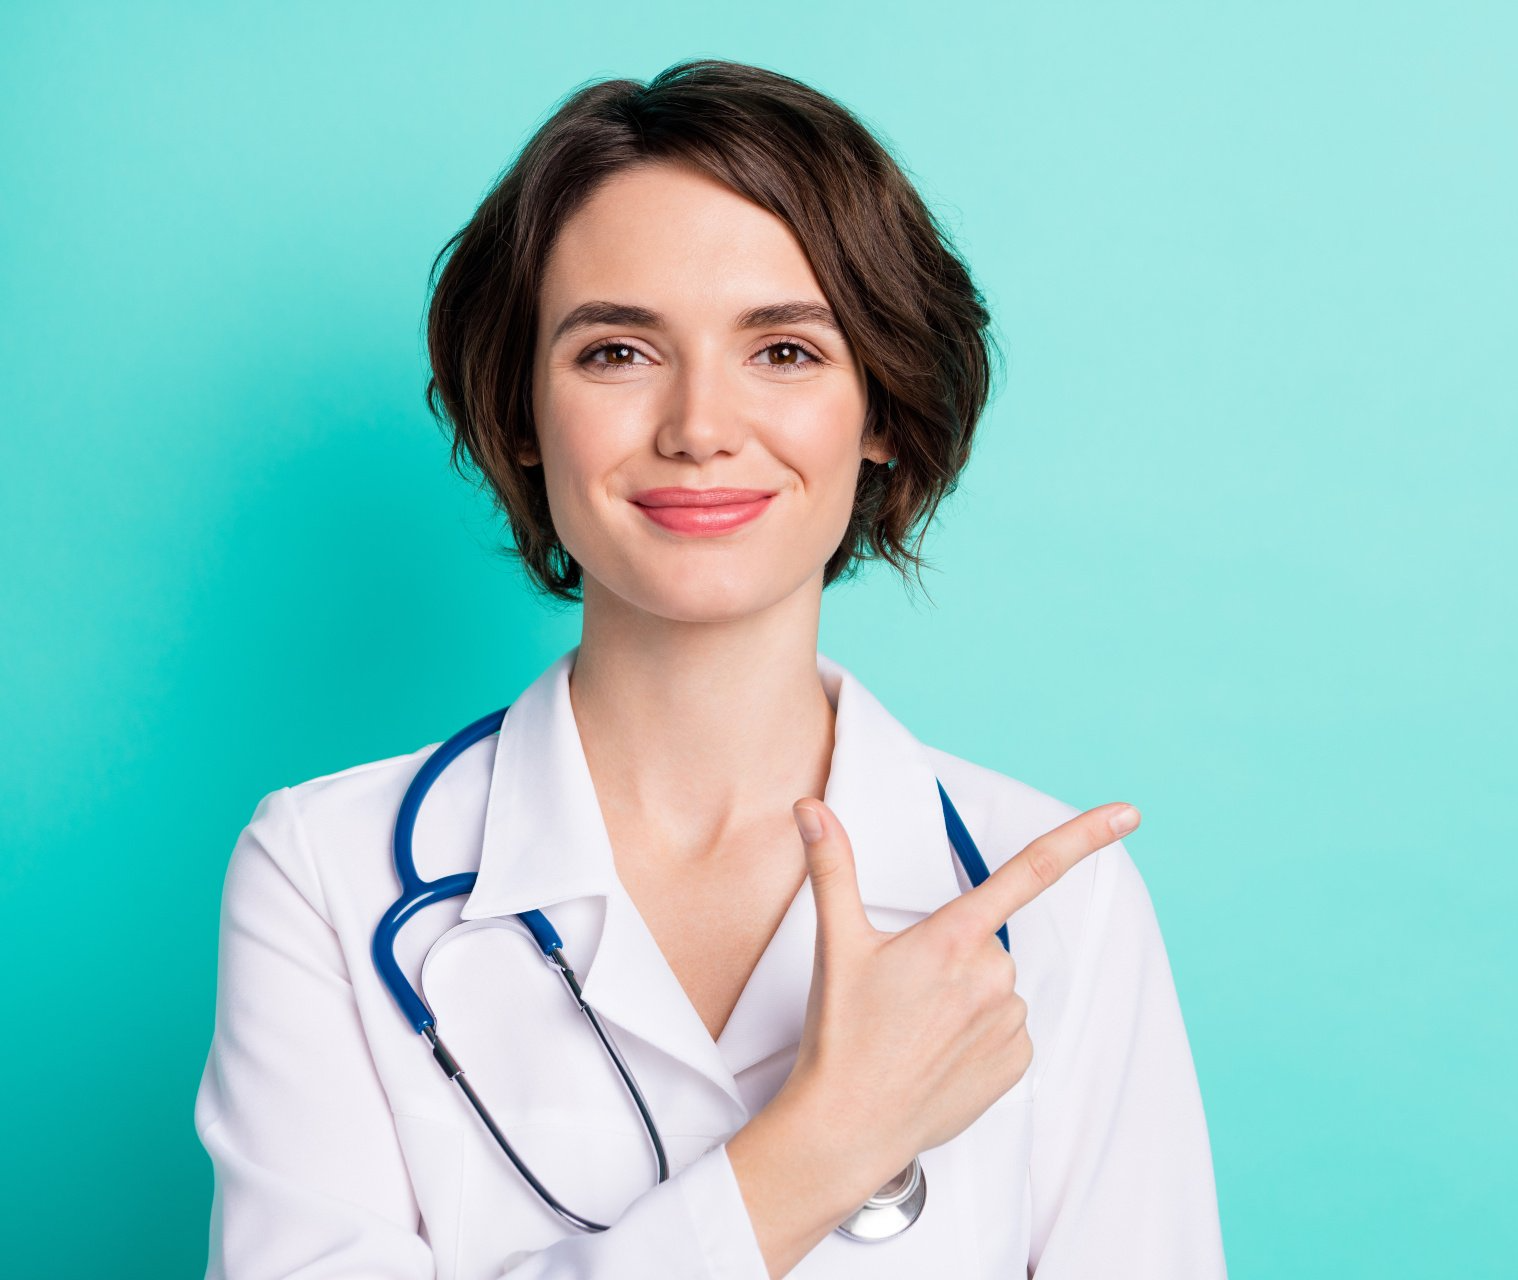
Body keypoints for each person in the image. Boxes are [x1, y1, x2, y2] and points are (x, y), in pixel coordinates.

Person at [194, 58, 1227, 1279]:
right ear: (523, 410)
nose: (698, 426)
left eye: (785, 352)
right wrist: (816, 1153)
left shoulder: (1050, 904)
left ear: (882, 407)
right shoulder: (327, 871)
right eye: (617, 352)